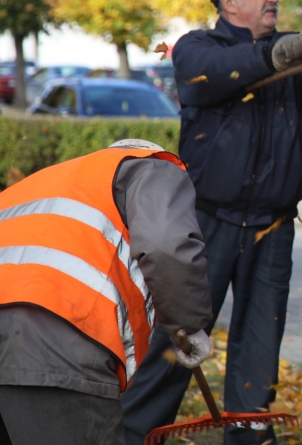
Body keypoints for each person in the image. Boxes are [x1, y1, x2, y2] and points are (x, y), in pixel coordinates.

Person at [121, 0, 302, 444]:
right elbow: (211, 74)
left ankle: (250, 439)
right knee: (180, 341)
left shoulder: (285, 49)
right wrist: (270, 58)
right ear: (229, 2)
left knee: (259, 352)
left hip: (273, 228)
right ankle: (133, 434)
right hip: (207, 224)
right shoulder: (198, 49)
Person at [0, 139, 212, 445]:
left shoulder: (43, 183)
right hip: (59, 340)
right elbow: (165, 245)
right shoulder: (153, 167)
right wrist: (188, 324)